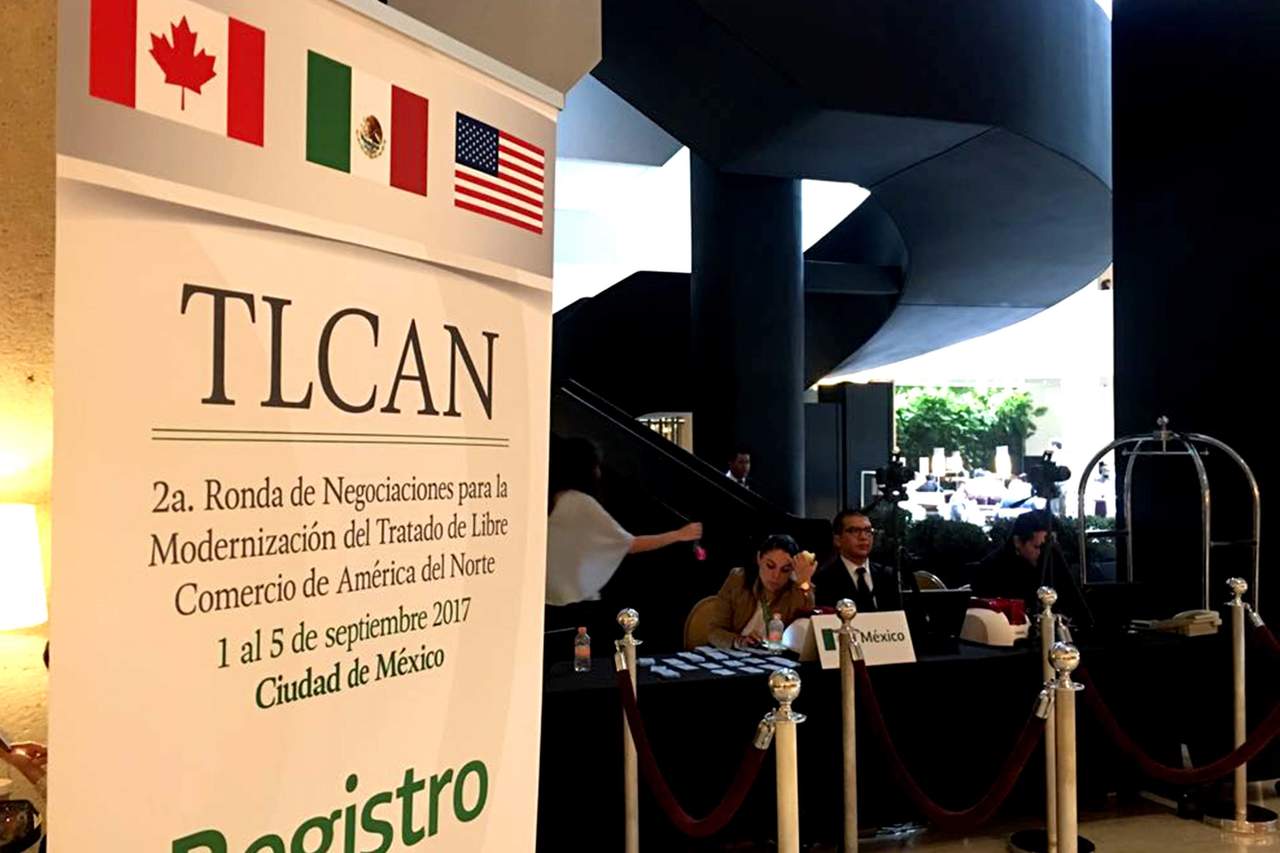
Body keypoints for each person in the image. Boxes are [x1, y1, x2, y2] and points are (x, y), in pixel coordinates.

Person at [545, 437, 702, 612]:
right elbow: (630, 544)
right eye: (596, 466)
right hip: (568, 600)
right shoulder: (579, 503)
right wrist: (679, 534)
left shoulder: (555, 498)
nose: (599, 472)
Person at [971, 510, 1091, 625]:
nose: (1042, 553)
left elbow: (1074, 603)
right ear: (1018, 542)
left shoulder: (1052, 562)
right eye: (1037, 547)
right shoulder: (991, 569)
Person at [705, 534, 817, 649]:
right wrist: (739, 641)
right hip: (733, 652)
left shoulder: (795, 590)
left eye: (785, 570)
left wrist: (804, 582)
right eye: (770, 566)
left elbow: (807, 618)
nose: (776, 576)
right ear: (759, 558)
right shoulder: (738, 580)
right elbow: (714, 632)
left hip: (773, 655)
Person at [814, 509, 910, 611]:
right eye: (855, 531)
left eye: (868, 531)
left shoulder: (887, 575)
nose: (863, 537)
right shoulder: (823, 579)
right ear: (837, 540)